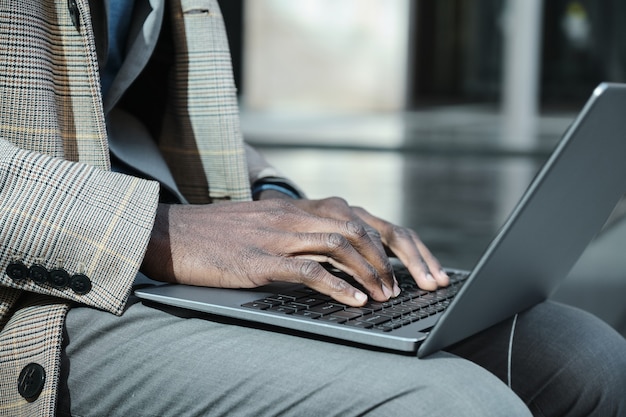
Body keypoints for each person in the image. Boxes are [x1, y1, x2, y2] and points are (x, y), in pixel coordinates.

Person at [0, 1, 624, 416]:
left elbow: (123, 118)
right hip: (41, 289)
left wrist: (281, 207)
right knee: (454, 405)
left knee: (581, 356)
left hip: (159, 238)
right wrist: (155, 230)